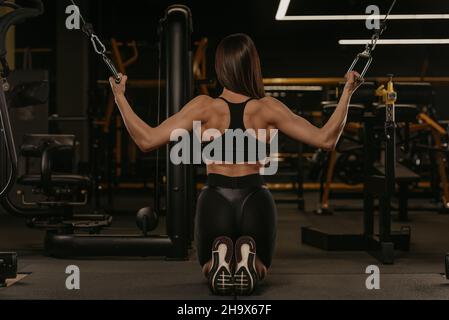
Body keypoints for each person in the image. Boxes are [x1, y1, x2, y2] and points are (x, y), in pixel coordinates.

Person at [109, 33, 362, 296]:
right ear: (252, 67)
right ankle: (248, 260)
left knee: (207, 266)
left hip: (214, 199)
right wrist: (347, 92)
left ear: (221, 68)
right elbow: (326, 139)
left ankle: (218, 256)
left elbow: (147, 139)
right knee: (262, 266)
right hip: (255, 198)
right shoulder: (267, 108)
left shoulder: (204, 107)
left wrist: (119, 97)